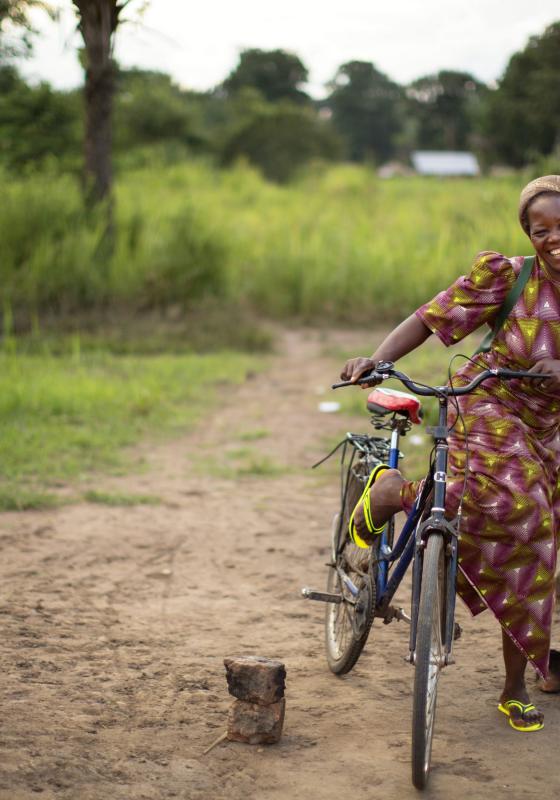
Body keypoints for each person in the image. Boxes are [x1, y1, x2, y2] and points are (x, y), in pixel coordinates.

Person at [340, 175, 560, 732]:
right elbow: (429, 317)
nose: (553, 238)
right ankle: (395, 494)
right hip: (486, 399)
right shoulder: (509, 276)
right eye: (542, 230)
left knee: (535, 550)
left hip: (548, 429)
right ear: (528, 235)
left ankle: (514, 686)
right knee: (523, 508)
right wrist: (376, 356)